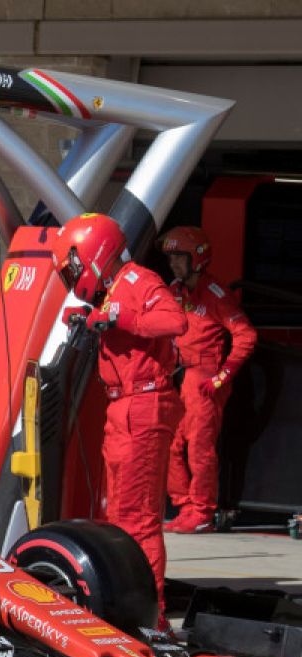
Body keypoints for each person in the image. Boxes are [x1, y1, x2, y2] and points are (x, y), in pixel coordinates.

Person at [55, 213, 187, 628]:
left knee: (139, 520)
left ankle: (153, 617)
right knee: (118, 519)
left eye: (75, 265)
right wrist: (87, 319)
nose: (73, 275)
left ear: (95, 253)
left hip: (143, 407)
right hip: (121, 408)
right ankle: (127, 608)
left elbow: (175, 321)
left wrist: (116, 319)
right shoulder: (110, 292)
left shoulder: (137, 280)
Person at [161, 226, 257, 534]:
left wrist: (223, 376)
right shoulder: (174, 291)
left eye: (180, 257)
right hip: (179, 375)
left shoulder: (216, 294)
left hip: (204, 379)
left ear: (197, 259)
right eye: (171, 257)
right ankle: (185, 507)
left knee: (199, 448)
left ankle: (202, 512)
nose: (174, 263)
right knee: (172, 445)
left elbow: (246, 335)